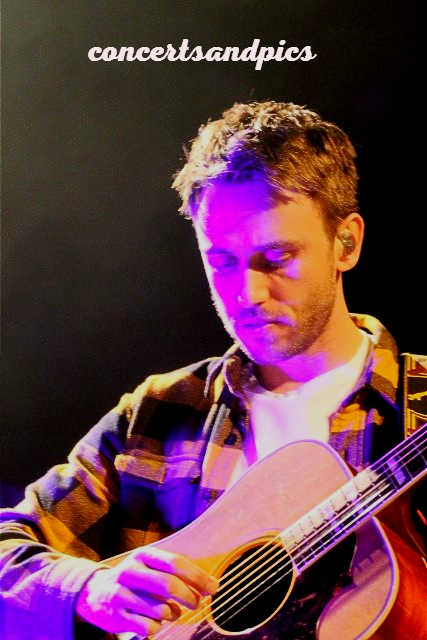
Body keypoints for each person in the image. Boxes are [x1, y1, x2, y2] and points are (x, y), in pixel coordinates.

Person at [0, 100, 425, 640]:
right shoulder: (159, 412)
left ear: (346, 243)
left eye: (277, 258)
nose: (247, 293)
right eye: (221, 262)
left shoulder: (414, 411)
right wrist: (89, 589)